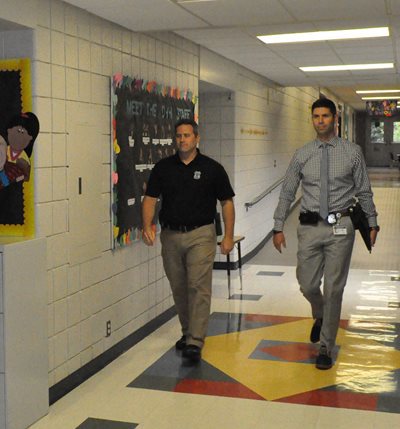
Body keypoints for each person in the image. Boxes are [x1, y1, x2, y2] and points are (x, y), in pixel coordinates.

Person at [272, 98, 379, 370]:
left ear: (335, 119)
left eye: (325, 116)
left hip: (341, 227)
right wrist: (278, 225)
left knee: (334, 288)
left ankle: (325, 347)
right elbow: (287, 191)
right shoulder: (302, 154)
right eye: (316, 116)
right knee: (307, 284)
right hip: (309, 227)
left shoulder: (352, 152)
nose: (320, 120)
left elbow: (364, 190)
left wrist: (372, 222)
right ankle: (320, 315)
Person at [142, 118, 235, 362]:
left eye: (187, 135)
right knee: (179, 287)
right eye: (179, 136)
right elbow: (150, 198)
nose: (182, 140)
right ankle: (188, 332)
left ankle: (195, 340)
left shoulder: (212, 168)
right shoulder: (163, 168)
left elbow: (226, 202)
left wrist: (227, 236)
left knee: (198, 286)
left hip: (201, 234)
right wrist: (147, 225)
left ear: (197, 138)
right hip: (171, 235)